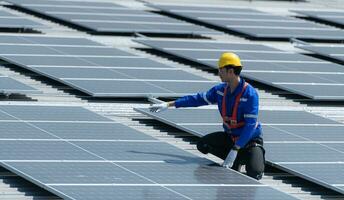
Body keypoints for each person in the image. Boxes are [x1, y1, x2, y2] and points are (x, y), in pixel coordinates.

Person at [148, 52, 265, 180]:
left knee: (255, 173)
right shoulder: (220, 90)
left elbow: (250, 126)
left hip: (249, 141)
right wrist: (169, 104)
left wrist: (236, 149)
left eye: (221, 70)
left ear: (230, 71)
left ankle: (242, 156)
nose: (218, 73)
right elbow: (196, 99)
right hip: (231, 138)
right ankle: (235, 161)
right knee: (203, 144)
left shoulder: (250, 94)